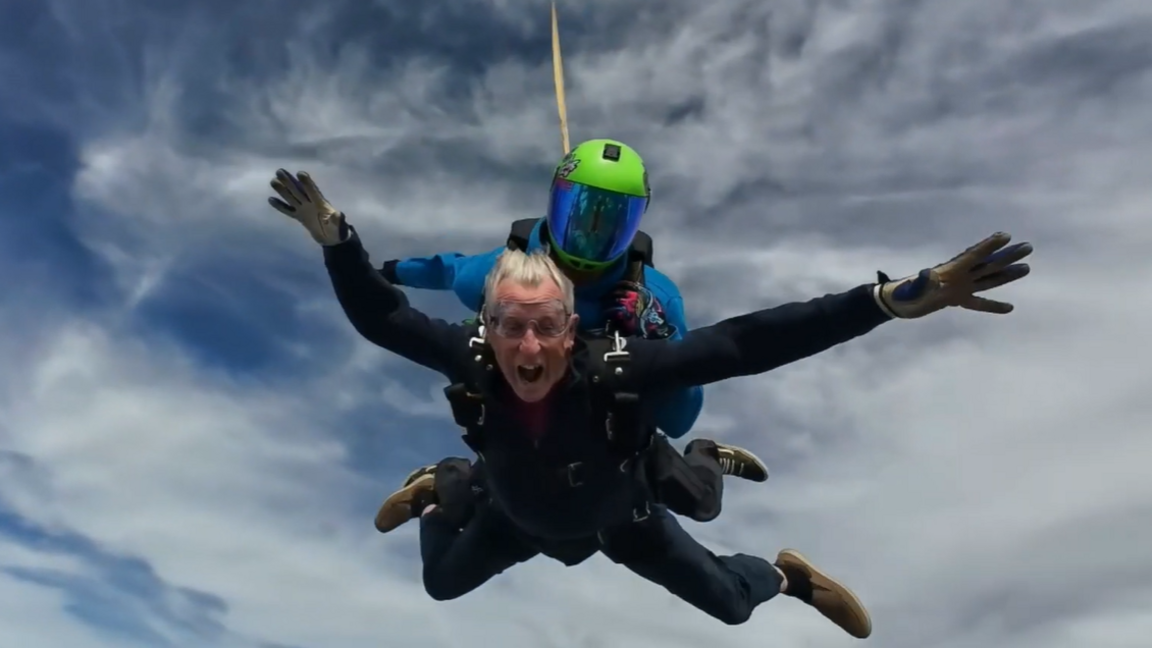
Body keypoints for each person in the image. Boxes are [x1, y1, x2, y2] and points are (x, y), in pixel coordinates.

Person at [269, 169, 1032, 634]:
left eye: (544, 330)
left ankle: (790, 576)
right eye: (509, 330)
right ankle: (446, 487)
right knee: (440, 581)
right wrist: (340, 242)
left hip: (619, 511)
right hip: (516, 506)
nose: (527, 351)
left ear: (573, 329)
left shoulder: (616, 365)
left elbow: (748, 342)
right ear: (486, 328)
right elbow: (383, 316)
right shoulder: (474, 353)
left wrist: (886, 301)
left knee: (733, 604)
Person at [271, 140, 769, 532]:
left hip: (609, 437)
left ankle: (703, 461)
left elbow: (680, 416)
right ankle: (451, 483)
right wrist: (365, 266)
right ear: (554, 206)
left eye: (610, 223)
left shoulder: (655, 296)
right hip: (534, 432)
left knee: (695, 502)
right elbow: (445, 271)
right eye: (581, 214)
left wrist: (655, 336)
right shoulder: (508, 273)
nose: (590, 237)